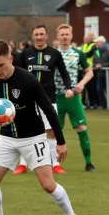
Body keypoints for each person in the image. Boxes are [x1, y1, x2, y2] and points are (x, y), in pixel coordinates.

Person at [0, 39, 81, 215]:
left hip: (33, 137)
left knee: (48, 185)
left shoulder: (28, 80)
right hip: (6, 137)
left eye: (1, 65)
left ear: (10, 58)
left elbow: (49, 111)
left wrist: (60, 142)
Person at [14, 25, 74, 175]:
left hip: (48, 98)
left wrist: (68, 87)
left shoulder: (54, 54)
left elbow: (64, 73)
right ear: (33, 37)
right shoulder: (25, 54)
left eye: (41, 34)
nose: (39, 37)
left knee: (51, 131)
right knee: (24, 130)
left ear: (47, 36)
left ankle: (55, 164)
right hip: (27, 99)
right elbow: (16, 74)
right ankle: (22, 165)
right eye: (36, 35)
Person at [55, 24, 96, 171]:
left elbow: (89, 72)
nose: (65, 37)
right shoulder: (53, 54)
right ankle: (54, 164)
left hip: (73, 97)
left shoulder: (78, 53)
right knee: (54, 132)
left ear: (71, 36)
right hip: (56, 97)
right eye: (62, 34)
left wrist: (81, 84)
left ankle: (89, 163)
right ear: (57, 36)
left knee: (81, 128)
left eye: (67, 34)